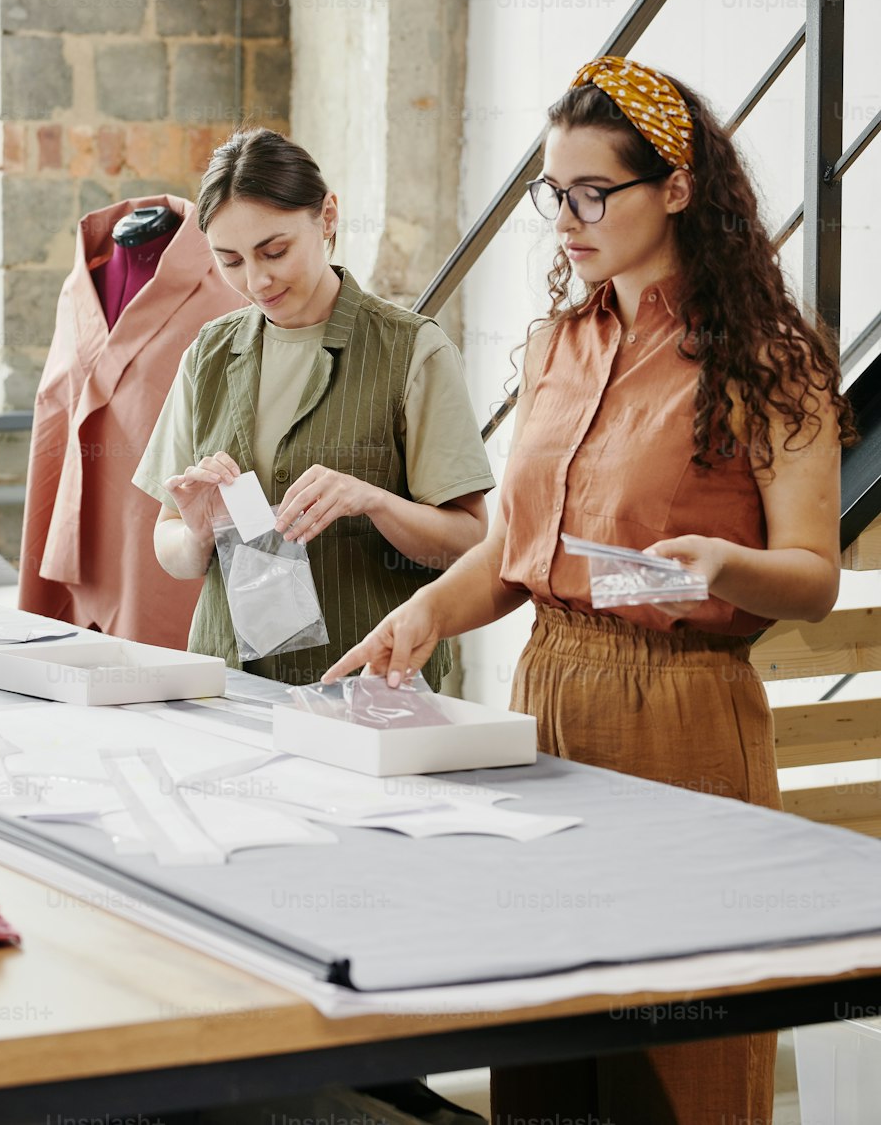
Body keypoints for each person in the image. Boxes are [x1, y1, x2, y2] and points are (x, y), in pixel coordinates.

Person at [323, 56, 856, 1125]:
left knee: (685, 1049)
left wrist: (725, 565)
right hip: (545, 705)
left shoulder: (767, 359)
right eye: (550, 193)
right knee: (547, 1048)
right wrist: (422, 612)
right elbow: (520, 553)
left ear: (674, 188)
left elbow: (813, 579)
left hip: (684, 713)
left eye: (590, 193)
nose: (564, 219)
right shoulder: (557, 346)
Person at [132, 126, 495, 687]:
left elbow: (471, 542)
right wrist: (200, 533)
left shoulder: (412, 351)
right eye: (230, 260)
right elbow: (169, 541)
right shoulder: (208, 353)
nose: (257, 280)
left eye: (275, 251)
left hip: (368, 684)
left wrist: (374, 501)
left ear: (327, 217)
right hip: (229, 683)